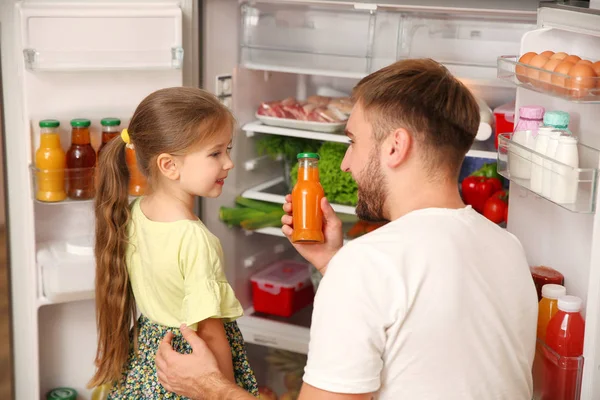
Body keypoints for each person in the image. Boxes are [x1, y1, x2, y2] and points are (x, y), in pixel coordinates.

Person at [156, 59, 538, 400]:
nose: (345, 165)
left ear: (395, 146)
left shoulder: (368, 266)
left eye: (353, 142)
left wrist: (209, 386)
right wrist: (333, 263)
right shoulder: (508, 247)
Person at [88, 87, 259, 398]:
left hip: (150, 355)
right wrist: (224, 390)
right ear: (169, 166)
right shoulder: (194, 239)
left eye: (228, 150)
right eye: (215, 153)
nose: (229, 163)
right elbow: (209, 332)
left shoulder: (135, 212)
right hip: (190, 363)